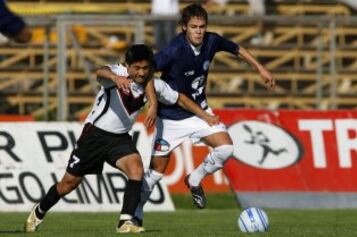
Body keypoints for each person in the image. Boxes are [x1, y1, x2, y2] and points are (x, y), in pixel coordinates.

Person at [24, 44, 219, 233]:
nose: (141, 73)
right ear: (128, 66)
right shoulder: (118, 73)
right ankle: (39, 210)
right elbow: (100, 71)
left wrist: (206, 116)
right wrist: (115, 77)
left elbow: (180, 99)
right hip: (95, 136)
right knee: (68, 184)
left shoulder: (155, 85)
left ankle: (126, 221)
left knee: (136, 169)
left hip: (120, 138)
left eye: (145, 68)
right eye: (137, 68)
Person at [130, 3, 275, 226]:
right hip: (170, 119)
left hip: (199, 112)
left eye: (202, 26)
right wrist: (152, 104)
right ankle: (135, 216)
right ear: (183, 28)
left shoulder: (211, 40)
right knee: (156, 173)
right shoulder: (174, 49)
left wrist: (260, 68)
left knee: (226, 148)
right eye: (194, 27)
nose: (199, 31)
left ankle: (195, 179)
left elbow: (236, 48)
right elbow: (147, 72)